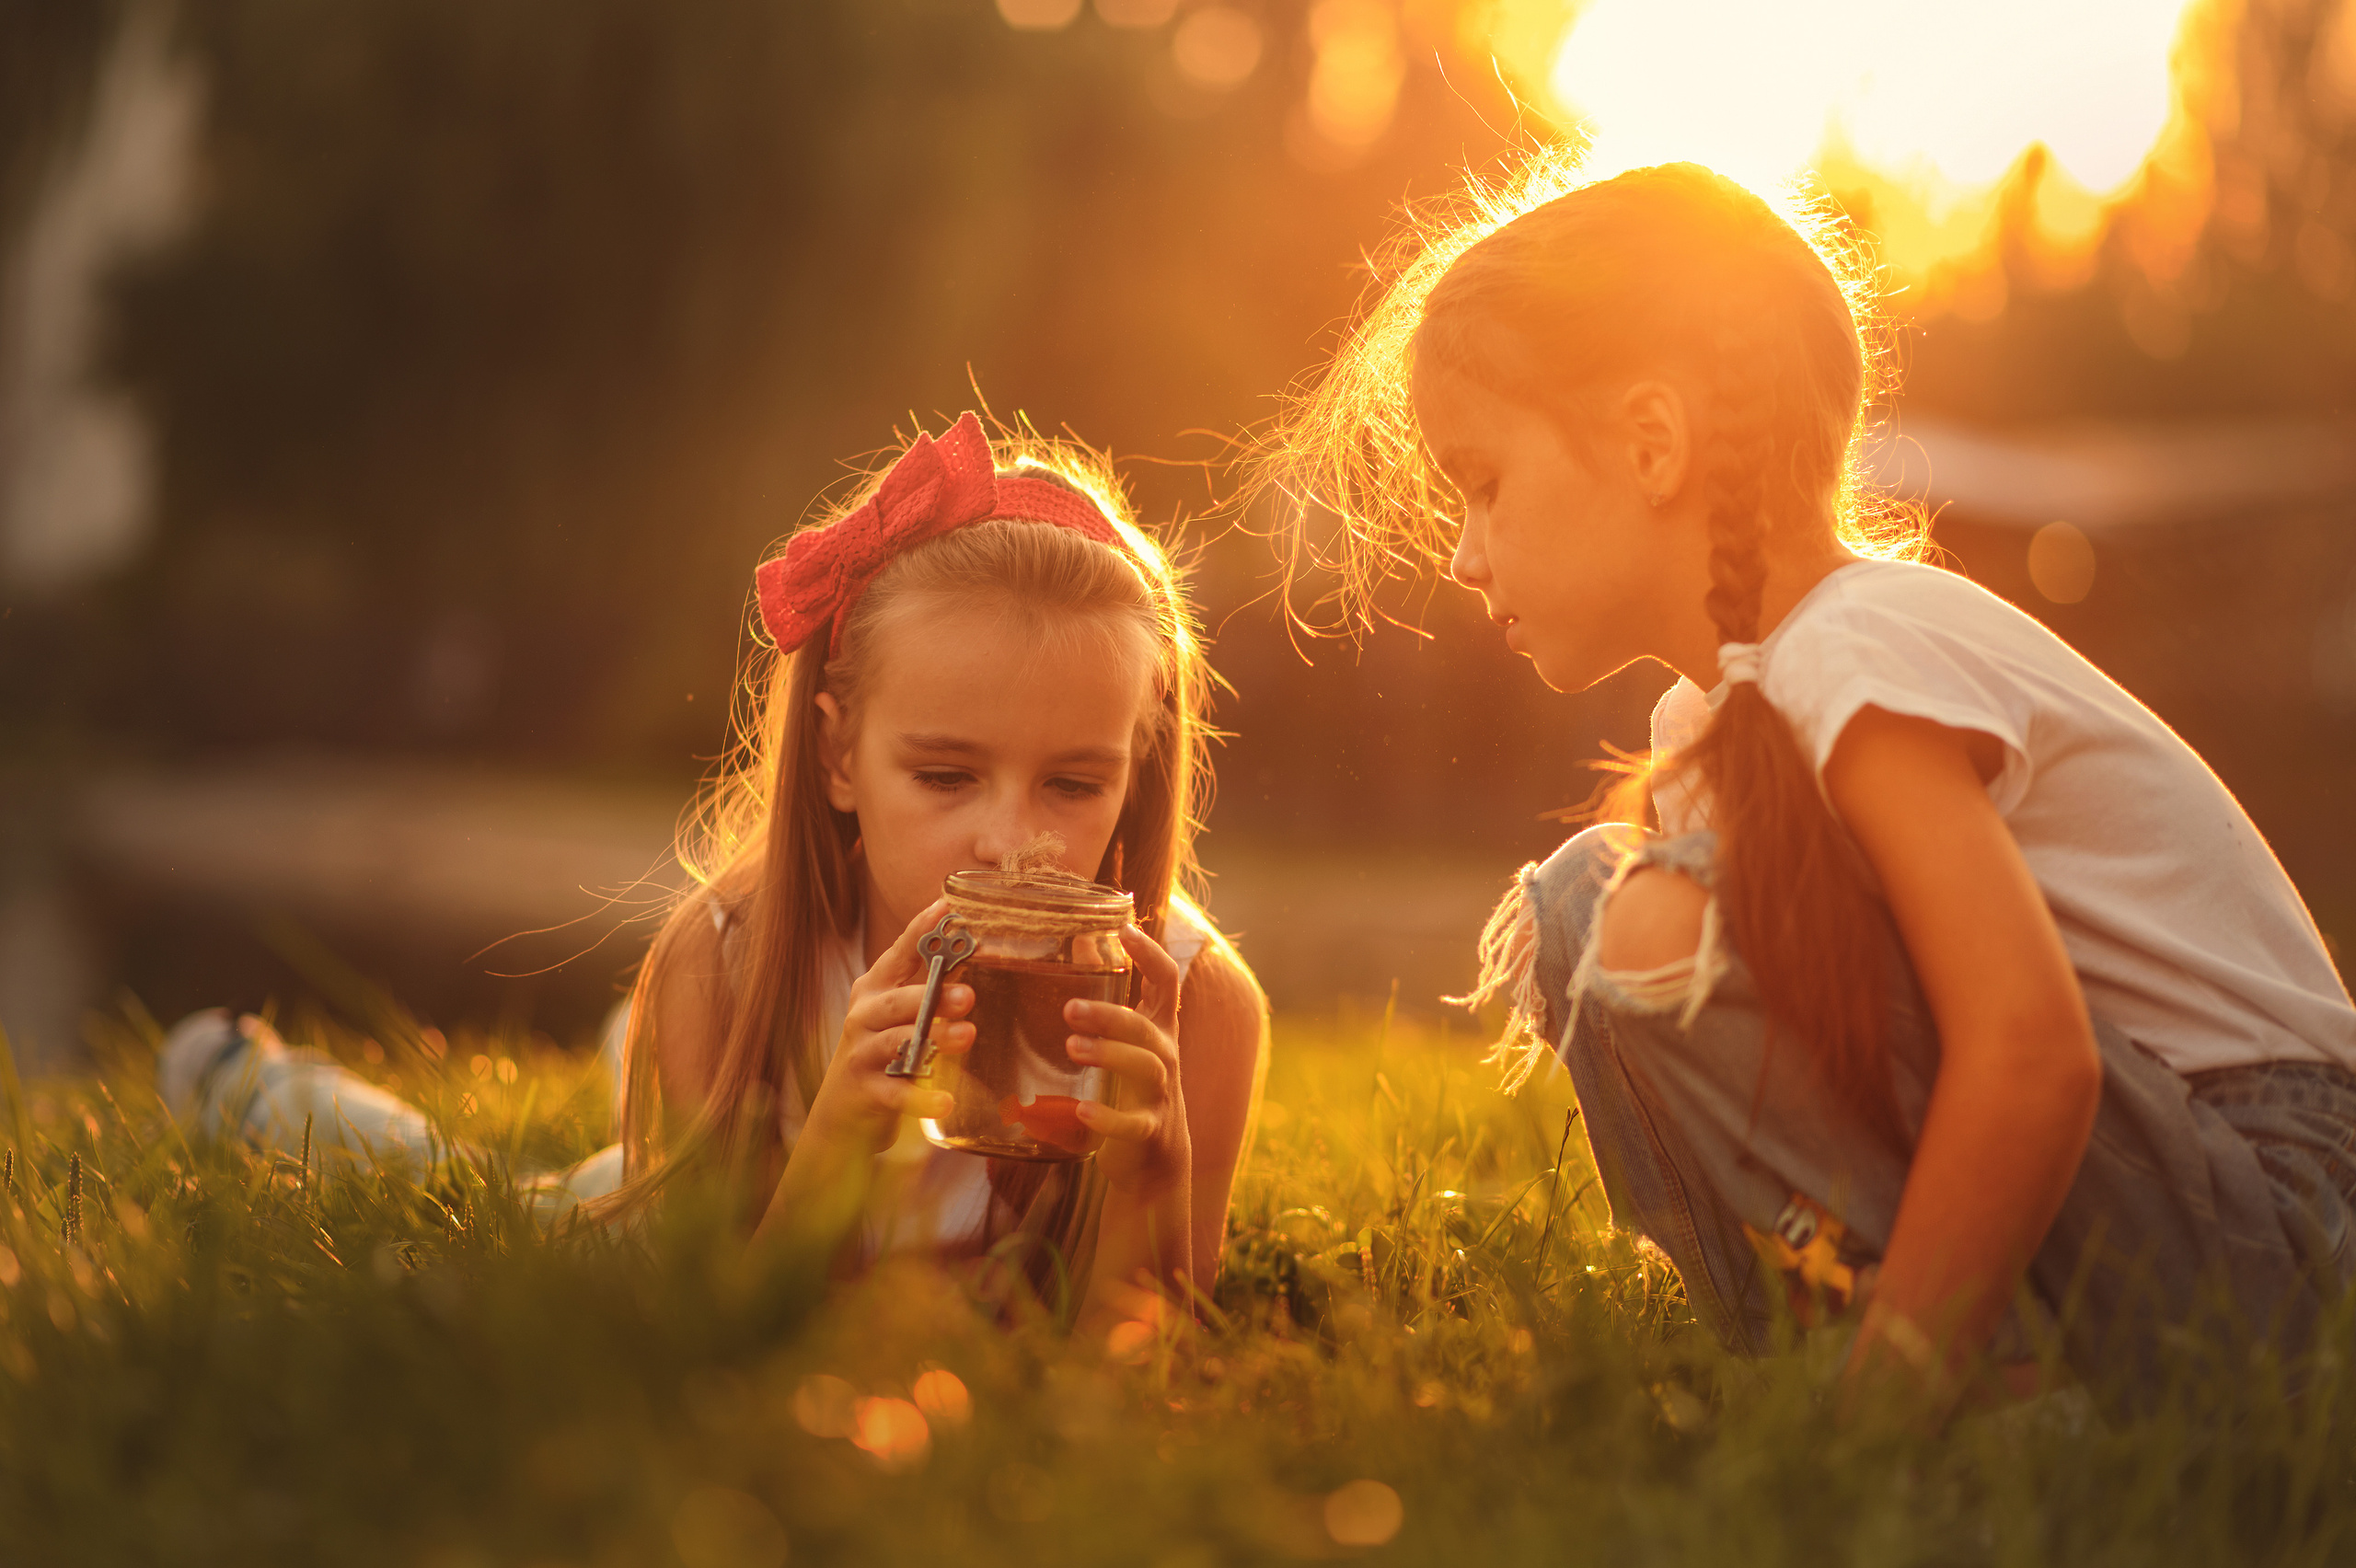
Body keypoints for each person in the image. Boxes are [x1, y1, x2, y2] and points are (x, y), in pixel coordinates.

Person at [1265, 156, 2356, 1404]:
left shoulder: (1854, 649)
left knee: (1601, 909)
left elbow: (2033, 1054)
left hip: (2283, 1219)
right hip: (2184, 1201)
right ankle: (1843, 1368)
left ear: (1650, 442)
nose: (1463, 555)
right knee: (1595, 912)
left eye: (1484, 485)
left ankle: (1913, 1393)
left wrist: (1892, 1391)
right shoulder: (1727, 711)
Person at [162, 412, 1269, 1329]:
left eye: (1073, 786)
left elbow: (1149, 1353)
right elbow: (720, 1333)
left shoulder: (1195, 1009)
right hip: (708, 1167)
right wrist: (831, 1142)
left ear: (1137, 769)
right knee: (518, 1207)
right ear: (837, 757)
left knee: (650, 1104)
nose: (1009, 842)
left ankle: (631, 1067)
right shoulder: (729, 963)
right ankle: (249, 1084)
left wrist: (1155, 1179)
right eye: (944, 777)